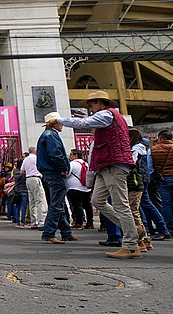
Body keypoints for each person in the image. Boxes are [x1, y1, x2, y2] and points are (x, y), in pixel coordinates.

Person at [49, 90, 141, 259]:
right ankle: (133, 231)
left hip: (114, 164)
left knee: (121, 205)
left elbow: (83, 123)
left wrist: (59, 120)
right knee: (97, 200)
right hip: (105, 166)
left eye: (91, 105)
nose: (90, 108)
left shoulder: (107, 114)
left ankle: (131, 245)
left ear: (100, 102)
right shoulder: (106, 118)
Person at [36, 112, 76, 244]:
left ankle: (66, 232)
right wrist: (64, 167)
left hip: (49, 173)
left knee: (59, 203)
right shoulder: (51, 136)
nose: (62, 124)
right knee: (57, 204)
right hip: (55, 173)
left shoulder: (47, 135)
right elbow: (56, 154)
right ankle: (49, 232)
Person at [21, 146, 47, 230]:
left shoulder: (26, 159)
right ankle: (41, 222)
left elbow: (22, 171)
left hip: (28, 179)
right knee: (40, 200)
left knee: (32, 201)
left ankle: (33, 222)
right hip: (36, 178)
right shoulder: (36, 158)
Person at [67, 150, 93, 230]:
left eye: (71, 154)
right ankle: (90, 223)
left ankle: (79, 222)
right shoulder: (86, 164)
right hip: (85, 188)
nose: (70, 156)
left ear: (76, 155)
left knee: (76, 206)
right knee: (88, 206)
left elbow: (67, 173)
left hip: (74, 187)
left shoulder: (72, 164)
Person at [11, 161, 29, 228]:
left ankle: (18, 221)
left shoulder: (15, 171)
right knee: (23, 207)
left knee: (18, 207)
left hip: (17, 190)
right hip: (24, 189)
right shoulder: (25, 172)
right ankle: (23, 222)